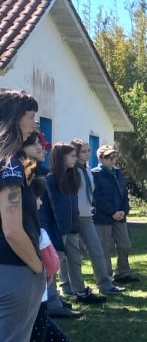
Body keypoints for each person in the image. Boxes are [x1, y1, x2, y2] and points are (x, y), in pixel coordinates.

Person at [0, 88, 54, 342]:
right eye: (32, 117)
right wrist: (36, 267)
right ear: (15, 117)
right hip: (16, 272)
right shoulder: (10, 167)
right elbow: (14, 230)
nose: (36, 124)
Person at [10, 176, 70, 342]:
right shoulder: (36, 232)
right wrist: (40, 267)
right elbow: (52, 264)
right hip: (36, 301)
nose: (41, 201)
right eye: (36, 197)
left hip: (33, 299)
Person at [26, 133, 80, 319]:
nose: (42, 149)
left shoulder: (53, 176)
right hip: (46, 231)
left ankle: (54, 300)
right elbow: (47, 211)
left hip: (60, 230)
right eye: (36, 145)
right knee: (48, 268)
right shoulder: (46, 179)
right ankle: (52, 304)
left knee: (55, 266)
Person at [62, 139, 124, 296]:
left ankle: (105, 284)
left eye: (88, 151)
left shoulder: (88, 170)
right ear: (75, 153)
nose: (87, 154)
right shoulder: (70, 171)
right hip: (72, 217)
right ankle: (70, 287)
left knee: (97, 249)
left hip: (87, 217)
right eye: (83, 151)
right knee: (71, 254)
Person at [48, 144, 107, 305]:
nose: (76, 158)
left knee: (75, 260)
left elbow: (74, 205)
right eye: (72, 156)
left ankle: (80, 292)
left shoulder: (72, 177)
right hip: (58, 230)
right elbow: (50, 207)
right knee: (55, 263)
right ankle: (52, 298)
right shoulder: (51, 179)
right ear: (61, 158)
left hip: (72, 227)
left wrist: (74, 225)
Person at [92, 145, 139, 285]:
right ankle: (106, 277)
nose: (113, 160)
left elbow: (124, 193)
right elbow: (97, 197)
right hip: (103, 218)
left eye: (114, 157)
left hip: (120, 216)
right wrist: (112, 212)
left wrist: (124, 210)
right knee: (105, 247)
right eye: (109, 157)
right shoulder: (95, 174)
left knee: (125, 244)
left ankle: (123, 273)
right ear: (101, 159)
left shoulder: (118, 173)